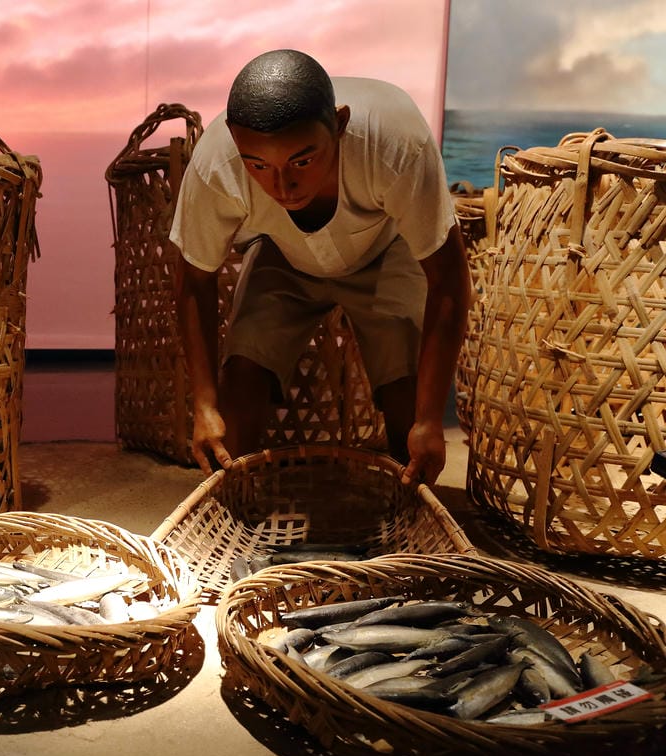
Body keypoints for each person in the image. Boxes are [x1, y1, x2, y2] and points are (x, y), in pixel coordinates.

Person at [169, 48, 470, 485]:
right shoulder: (216, 165)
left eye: (302, 161)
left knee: (411, 429)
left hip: (387, 248)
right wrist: (205, 405)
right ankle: (237, 509)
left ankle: (404, 514)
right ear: (235, 140)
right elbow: (194, 280)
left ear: (341, 125)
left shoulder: (395, 144)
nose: (283, 185)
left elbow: (448, 280)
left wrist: (429, 420)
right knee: (233, 415)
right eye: (258, 165)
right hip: (283, 255)